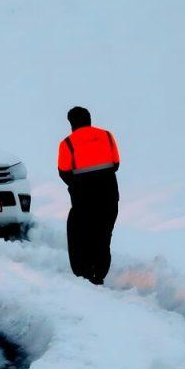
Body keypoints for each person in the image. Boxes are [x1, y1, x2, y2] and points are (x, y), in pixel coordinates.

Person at [57, 107, 120, 285]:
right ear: (89, 119)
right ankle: (99, 272)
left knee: (80, 234)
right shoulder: (107, 136)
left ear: (71, 123)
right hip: (109, 195)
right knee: (103, 234)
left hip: (83, 199)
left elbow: (64, 172)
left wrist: (78, 185)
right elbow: (115, 164)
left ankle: (83, 273)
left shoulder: (67, 143)